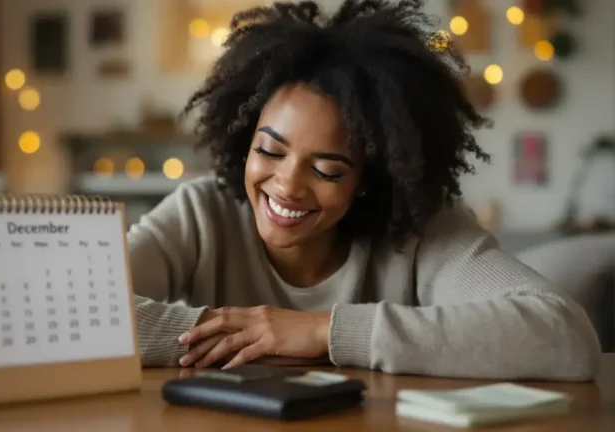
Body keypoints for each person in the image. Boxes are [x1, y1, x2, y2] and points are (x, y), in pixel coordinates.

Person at [127, 0, 601, 380]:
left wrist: (321, 332)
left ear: (369, 181)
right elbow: (63, 313)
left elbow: (565, 335)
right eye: (270, 152)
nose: (287, 185)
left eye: (328, 170)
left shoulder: (422, 230)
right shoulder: (200, 213)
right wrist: (248, 336)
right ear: (243, 140)